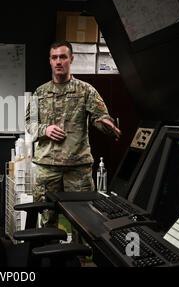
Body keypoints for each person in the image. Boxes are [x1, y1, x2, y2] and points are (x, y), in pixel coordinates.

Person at [26, 41, 121, 227]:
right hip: (48, 167)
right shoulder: (40, 92)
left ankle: (80, 256)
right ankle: (49, 254)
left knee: (84, 221)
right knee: (47, 219)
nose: (58, 61)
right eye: (54, 57)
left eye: (63, 57)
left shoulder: (86, 91)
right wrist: (45, 130)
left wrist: (107, 126)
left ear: (71, 59)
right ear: (50, 61)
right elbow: (30, 123)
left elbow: (100, 117)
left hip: (77, 168)